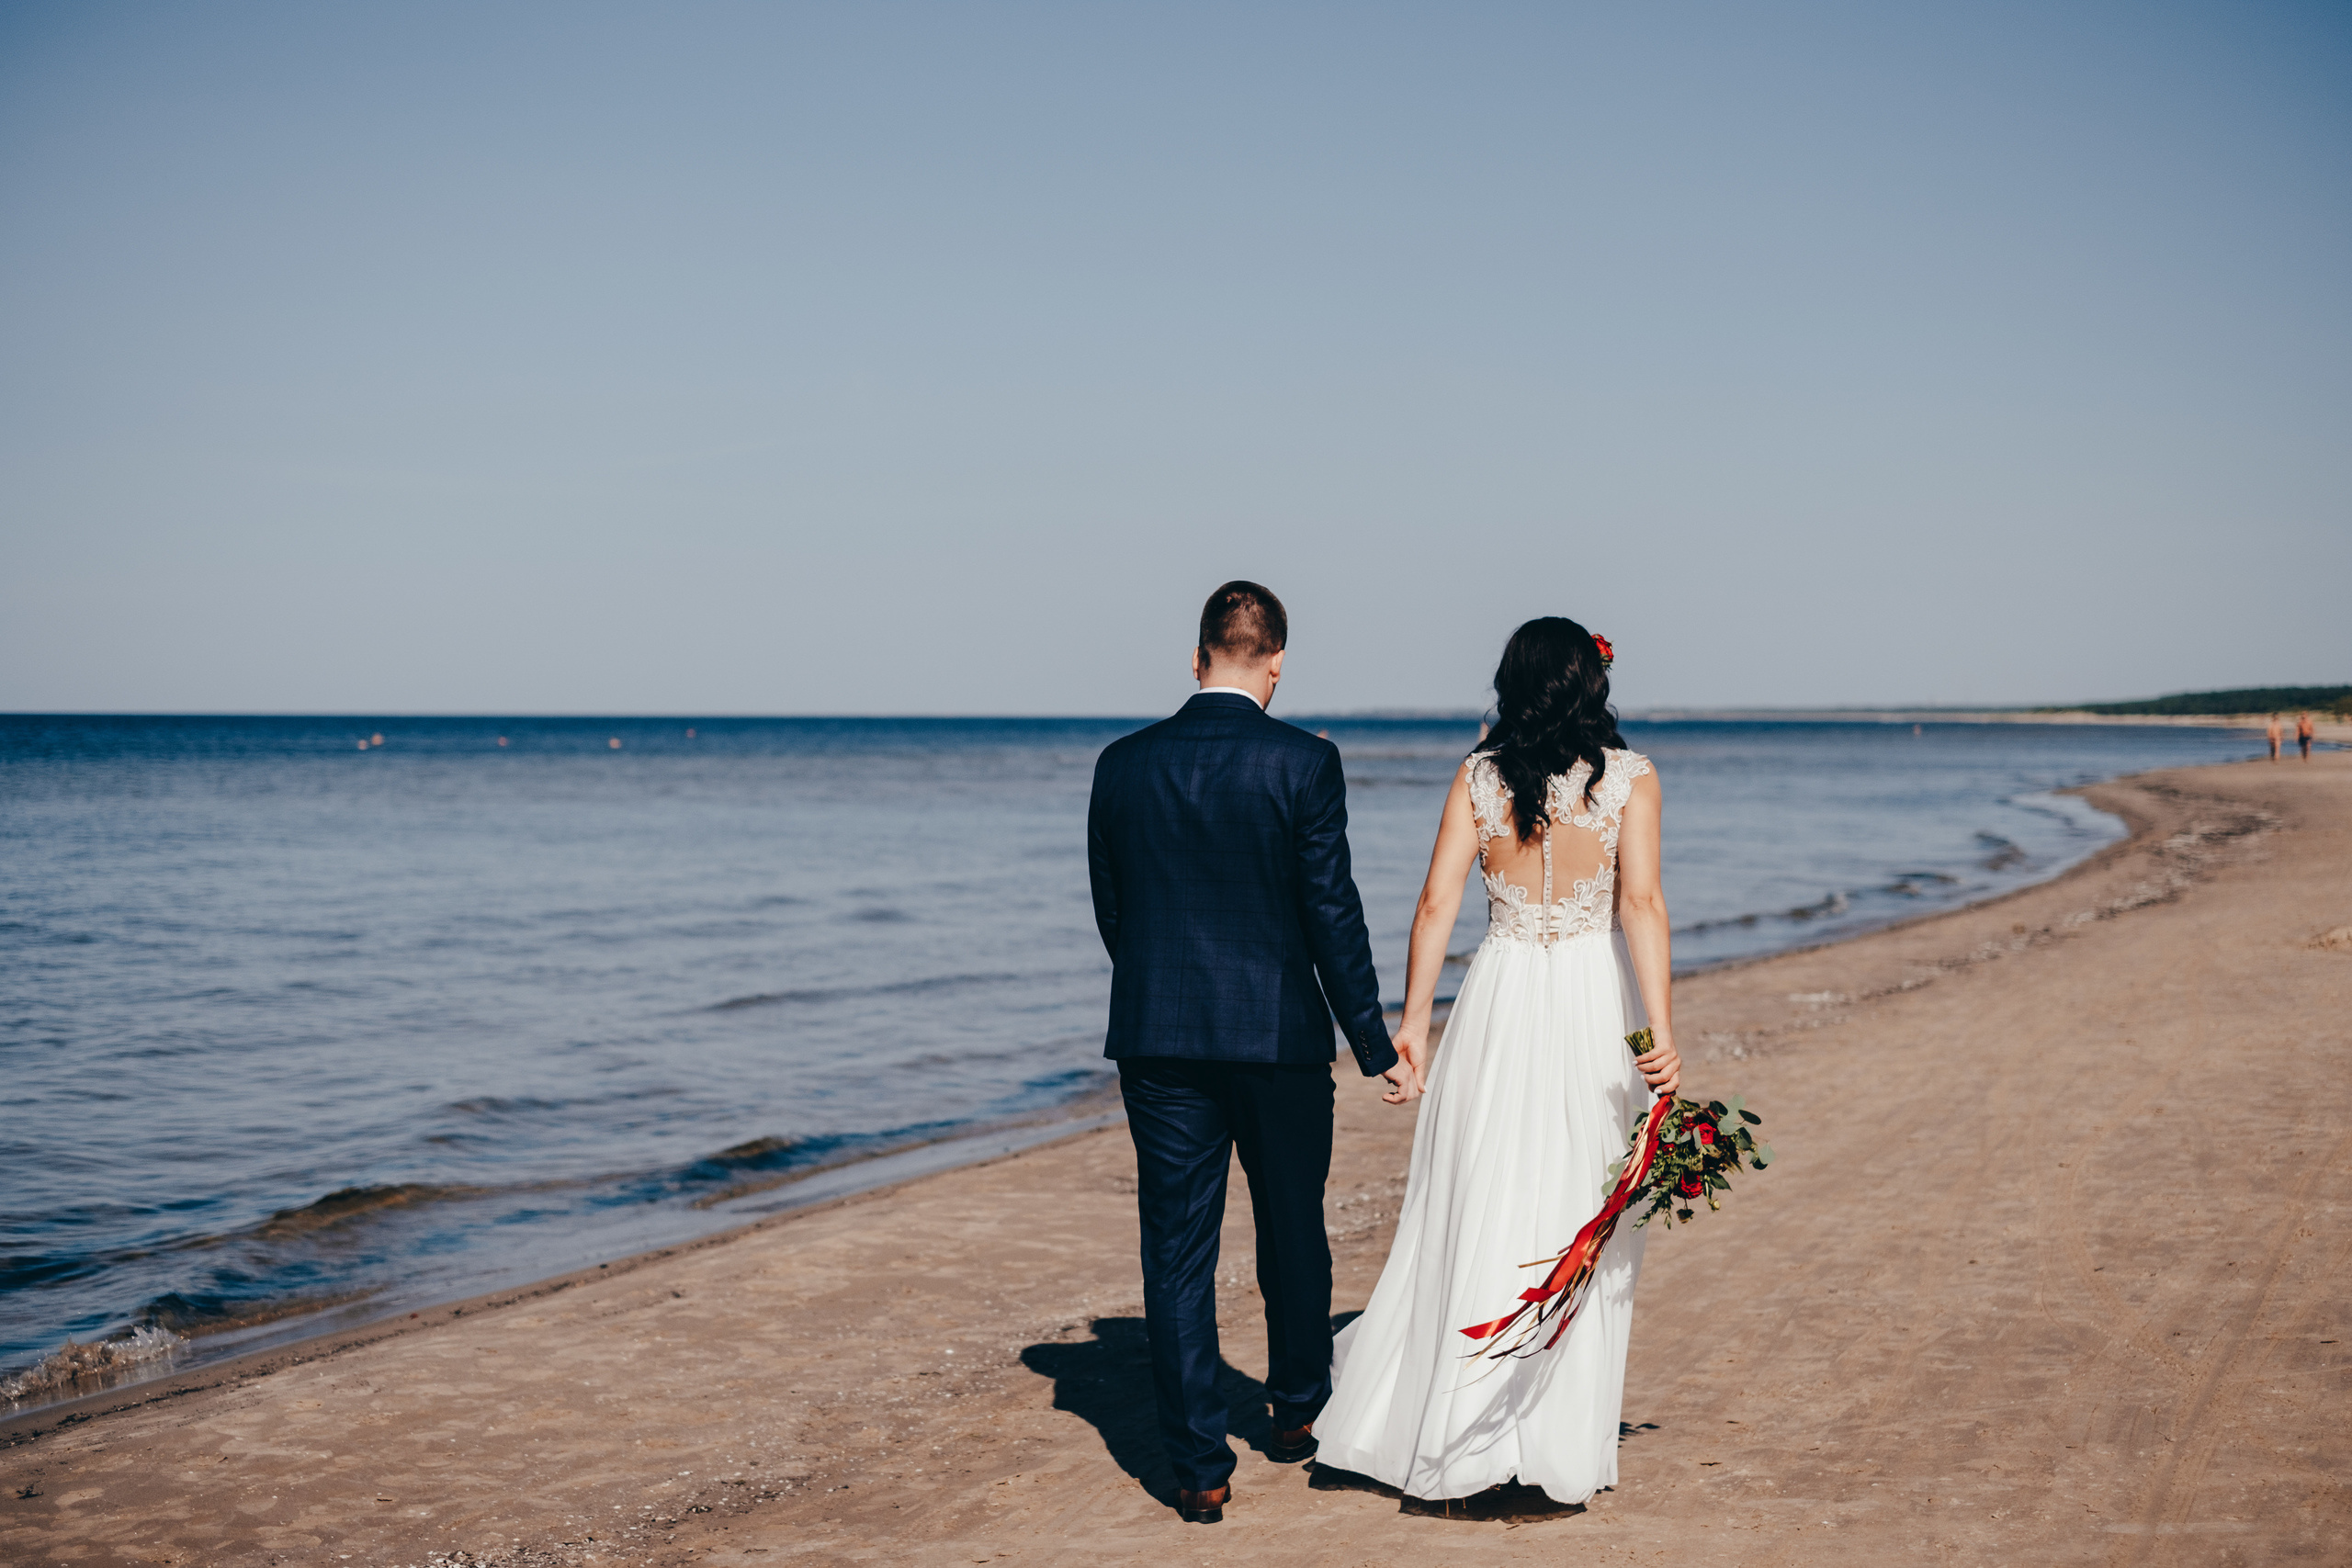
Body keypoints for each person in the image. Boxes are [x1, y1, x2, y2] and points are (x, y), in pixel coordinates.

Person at [1316, 615, 1681, 1506]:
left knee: (1478, 1196)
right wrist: (1657, 1038)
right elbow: (1639, 907)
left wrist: (1413, 1026)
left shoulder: (1478, 779)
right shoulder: (1630, 779)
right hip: (1592, 1003)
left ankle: (1456, 1443)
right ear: (1592, 683)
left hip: (1499, 998)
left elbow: (1435, 905)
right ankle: (1550, 1446)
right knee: (1575, 1204)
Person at [1087, 581, 1413, 1524]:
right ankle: (1297, 1411)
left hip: (1158, 1036)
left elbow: (1117, 910)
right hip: (1274, 1034)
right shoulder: (1302, 763)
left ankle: (1196, 1467)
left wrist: (1160, 992)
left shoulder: (1122, 764)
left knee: (1177, 1249)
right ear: (1275, 664)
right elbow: (1330, 911)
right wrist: (1370, 1040)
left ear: (1197, 660)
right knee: (1290, 1224)